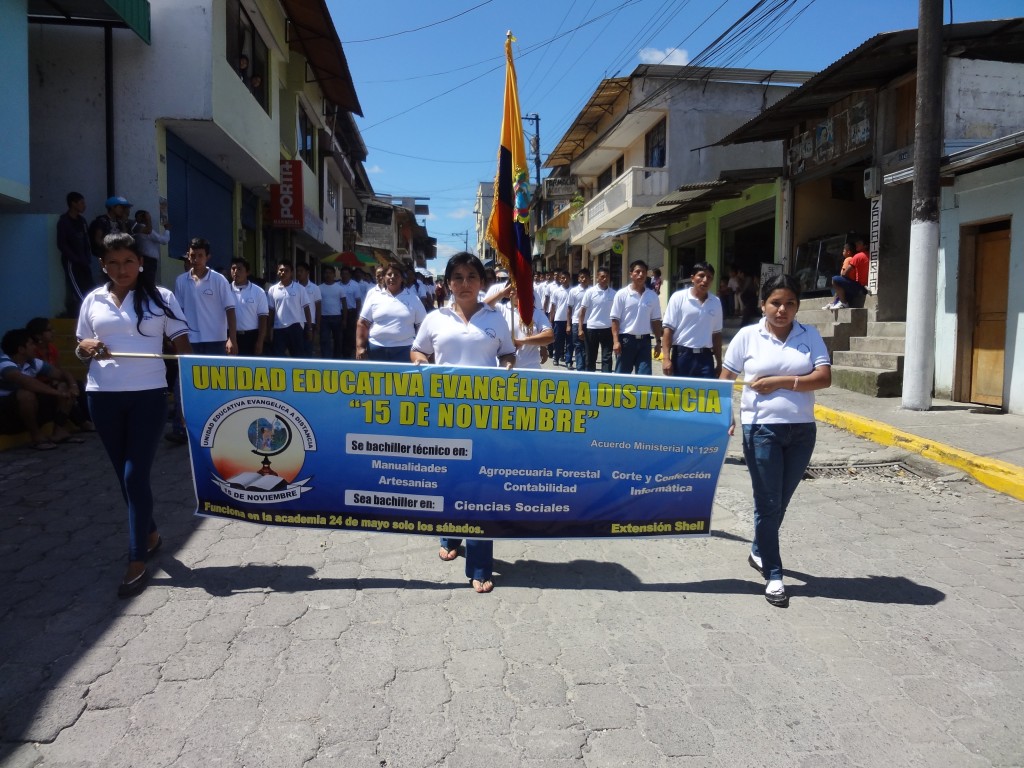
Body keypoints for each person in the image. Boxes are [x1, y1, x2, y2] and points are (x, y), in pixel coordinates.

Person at [75, 232, 191, 597]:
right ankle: (151, 534)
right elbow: (80, 345)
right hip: (101, 396)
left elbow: (182, 346)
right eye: (113, 262)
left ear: (140, 262)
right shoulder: (93, 300)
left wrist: (190, 389)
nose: (121, 269)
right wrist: (86, 346)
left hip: (148, 397)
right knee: (124, 477)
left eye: (128, 261)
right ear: (102, 265)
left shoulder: (162, 297)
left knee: (134, 474)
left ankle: (137, 559)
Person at [720, 274, 831, 607]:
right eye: (776, 303)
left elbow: (823, 377)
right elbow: (725, 378)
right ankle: (774, 574)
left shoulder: (809, 335)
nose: (782, 310)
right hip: (761, 430)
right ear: (763, 305)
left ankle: (759, 549)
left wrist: (780, 382)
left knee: (780, 501)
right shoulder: (747, 336)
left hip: (802, 431)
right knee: (768, 502)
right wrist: (726, 414)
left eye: (790, 304)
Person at [411, 252, 516, 594]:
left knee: (481, 486)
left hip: (485, 416)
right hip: (445, 416)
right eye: (458, 277)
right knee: (451, 479)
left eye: (472, 276)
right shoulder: (435, 318)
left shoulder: (496, 318)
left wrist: (508, 366)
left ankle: (481, 565)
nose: (465, 283)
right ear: (448, 283)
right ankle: (450, 535)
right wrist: (421, 363)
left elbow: (508, 353)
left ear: (482, 282)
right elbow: (418, 350)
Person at [0, 329, 77, 449]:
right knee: (26, 394)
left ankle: (59, 431)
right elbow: (27, 382)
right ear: (21, 349)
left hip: (28, 406)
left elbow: (62, 373)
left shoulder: (33, 362)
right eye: (31, 344)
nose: (35, 347)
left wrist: (73, 386)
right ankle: (36, 437)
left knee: (64, 386)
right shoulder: (4, 363)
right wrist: (58, 393)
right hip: (5, 409)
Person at [662, 262, 723, 379]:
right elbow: (668, 330)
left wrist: (719, 363)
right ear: (692, 278)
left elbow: (717, 335)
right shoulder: (678, 298)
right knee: (681, 390)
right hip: (682, 356)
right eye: (701, 275)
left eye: (709, 277)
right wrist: (666, 358)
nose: (705, 280)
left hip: (705, 358)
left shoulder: (716, 302)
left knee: (707, 390)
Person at [356, 264, 426, 362]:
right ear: (384, 278)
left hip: (404, 350)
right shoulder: (374, 297)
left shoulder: (413, 298)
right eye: (389, 274)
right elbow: (363, 323)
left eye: (396, 274)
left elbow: (423, 326)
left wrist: (421, 350)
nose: (392, 277)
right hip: (376, 349)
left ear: (402, 278)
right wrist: (360, 347)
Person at [610, 260, 663, 374]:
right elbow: (615, 319)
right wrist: (615, 341)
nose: (641, 274)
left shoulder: (652, 296)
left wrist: (658, 342)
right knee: (622, 377)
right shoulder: (622, 294)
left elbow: (656, 321)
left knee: (644, 378)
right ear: (631, 274)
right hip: (626, 341)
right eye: (637, 271)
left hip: (645, 342)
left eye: (643, 272)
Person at [56, 192, 94, 317]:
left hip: (84, 260)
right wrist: (74, 258)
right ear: (73, 203)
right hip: (72, 262)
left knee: (89, 285)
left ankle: (91, 309)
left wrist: (87, 256)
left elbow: (86, 240)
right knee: (76, 286)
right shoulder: (64, 221)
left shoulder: (82, 221)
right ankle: (84, 311)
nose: (84, 205)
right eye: (81, 203)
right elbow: (61, 244)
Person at [266, 262, 313, 357]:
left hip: (295, 328)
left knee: (298, 357)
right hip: (278, 329)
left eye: (286, 270)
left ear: (291, 273)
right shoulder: (272, 290)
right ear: (277, 272)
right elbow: (271, 311)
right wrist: (268, 330)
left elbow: (307, 309)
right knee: (278, 357)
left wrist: (309, 328)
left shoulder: (300, 288)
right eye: (281, 270)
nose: (283, 272)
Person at [229, 258, 268, 356]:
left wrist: (260, 341)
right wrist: (229, 338)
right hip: (230, 337)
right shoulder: (225, 290)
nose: (235, 272)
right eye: (233, 269)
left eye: (239, 269)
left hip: (251, 337)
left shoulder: (258, 292)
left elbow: (263, 318)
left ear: (247, 272)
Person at [579, 267, 615, 372]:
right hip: (592, 329)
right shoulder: (590, 292)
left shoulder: (614, 294)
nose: (605, 279)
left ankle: (605, 379)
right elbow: (582, 312)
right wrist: (580, 329)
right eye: (602, 277)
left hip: (608, 329)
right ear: (597, 278)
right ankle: (590, 379)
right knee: (590, 357)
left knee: (607, 358)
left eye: (607, 277)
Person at [825, 237, 869, 310]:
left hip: (860, 287)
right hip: (865, 288)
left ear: (865, 246)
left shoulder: (857, 256)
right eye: (857, 243)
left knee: (835, 280)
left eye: (859, 243)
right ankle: (836, 302)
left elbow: (844, 274)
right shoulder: (869, 255)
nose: (856, 244)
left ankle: (843, 303)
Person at [132, 210, 171, 280]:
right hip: (149, 261)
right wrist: (167, 230)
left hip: (144, 259)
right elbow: (164, 240)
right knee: (149, 281)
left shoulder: (137, 228)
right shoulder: (144, 229)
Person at [318, 265, 346, 359]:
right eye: (326, 273)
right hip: (324, 318)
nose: (328, 275)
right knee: (324, 340)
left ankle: (337, 359)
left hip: (337, 317)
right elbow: (317, 304)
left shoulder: (339, 288)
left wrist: (344, 319)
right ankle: (326, 359)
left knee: (338, 340)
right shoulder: (319, 288)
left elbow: (344, 304)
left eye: (330, 273)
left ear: (334, 275)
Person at [295, 262, 321, 356]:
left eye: (301, 271)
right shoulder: (294, 287)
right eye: (297, 271)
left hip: (309, 323)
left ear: (307, 272)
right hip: (296, 322)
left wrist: (318, 324)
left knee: (308, 348)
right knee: (297, 349)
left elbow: (318, 307)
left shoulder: (315, 288)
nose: (299, 273)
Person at [566, 269, 590, 370]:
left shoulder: (592, 291)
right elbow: (569, 309)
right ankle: (580, 368)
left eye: (586, 277)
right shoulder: (573, 291)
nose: (583, 279)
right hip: (576, 322)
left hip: (589, 323)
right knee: (578, 346)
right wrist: (568, 324)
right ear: (578, 278)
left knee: (588, 347)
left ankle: (587, 368)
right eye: (581, 277)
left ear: (589, 279)